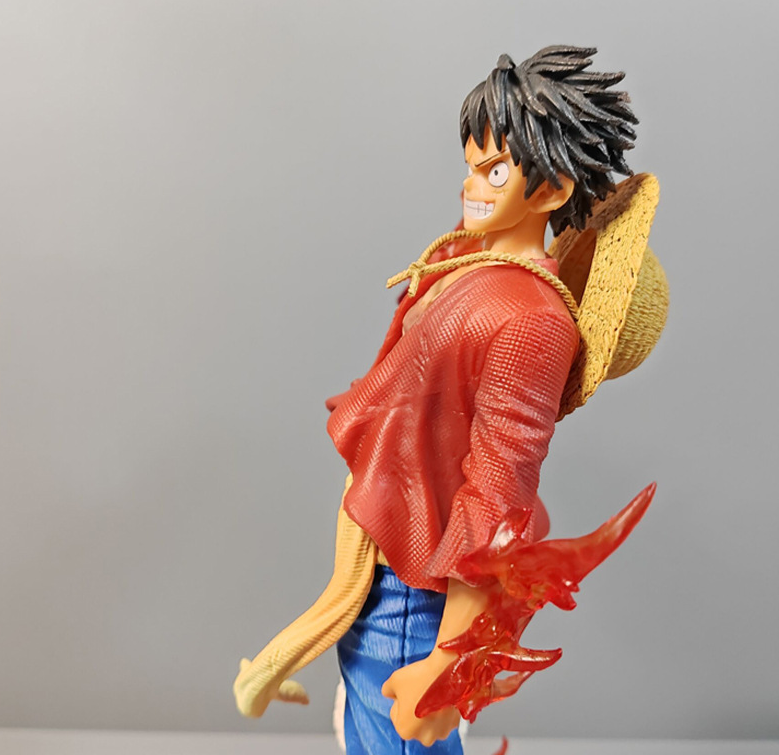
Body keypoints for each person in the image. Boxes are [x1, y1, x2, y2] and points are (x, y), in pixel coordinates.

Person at [234, 46, 656, 754]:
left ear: (552, 189)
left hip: (419, 591)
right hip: (384, 561)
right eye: (471, 165)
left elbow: (497, 496)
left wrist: (449, 664)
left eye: (496, 171)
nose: (472, 185)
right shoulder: (468, 262)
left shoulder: (531, 319)